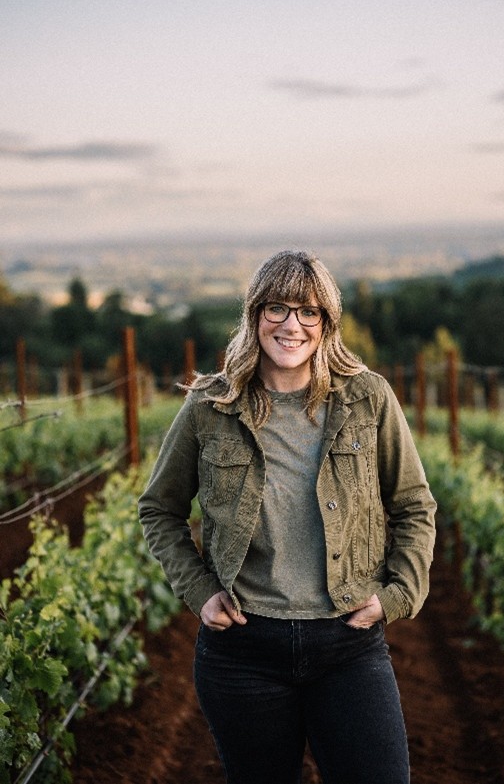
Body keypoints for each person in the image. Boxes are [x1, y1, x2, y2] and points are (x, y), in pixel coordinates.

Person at [138, 249, 436, 784]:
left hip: (347, 644)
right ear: (254, 316)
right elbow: (159, 509)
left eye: (309, 311)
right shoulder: (211, 405)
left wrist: (397, 597)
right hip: (244, 651)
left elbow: (415, 505)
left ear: (326, 324)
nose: (292, 324)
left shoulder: (368, 399)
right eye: (277, 308)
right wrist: (200, 591)